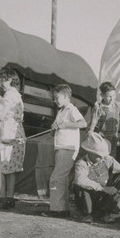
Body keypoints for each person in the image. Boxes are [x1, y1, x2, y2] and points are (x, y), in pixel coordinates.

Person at [43, 84, 88, 217]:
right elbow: (55, 132)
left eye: (57, 98)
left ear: (65, 96)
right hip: (60, 147)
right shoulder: (61, 111)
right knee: (62, 179)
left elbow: (83, 123)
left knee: (56, 178)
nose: (54, 101)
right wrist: (54, 128)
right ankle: (62, 208)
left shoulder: (71, 109)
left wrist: (65, 124)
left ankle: (57, 209)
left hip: (68, 148)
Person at [73, 133, 120, 224]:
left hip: (103, 197)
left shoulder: (107, 159)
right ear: (90, 152)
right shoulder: (81, 163)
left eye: (102, 154)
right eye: (98, 155)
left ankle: (107, 213)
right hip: (88, 199)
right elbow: (80, 180)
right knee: (82, 186)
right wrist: (103, 188)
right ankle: (87, 215)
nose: (101, 157)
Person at [0, 67, 26, 210]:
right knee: (12, 168)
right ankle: (9, 197)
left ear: (9, 80)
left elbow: (2, 113)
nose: (1, 83)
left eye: (3, 80)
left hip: (8, 132)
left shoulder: (9, 95)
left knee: (2, 166)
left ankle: (2, 197)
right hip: (18, 132)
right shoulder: (18, 96)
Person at [87, 81, 120, 157]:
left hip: (113, 137)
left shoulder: (117, 105)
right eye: (109, 96)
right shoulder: (98, 108)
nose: (112, 98)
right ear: (102, 95)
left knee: (112, 157)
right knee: (102, 156)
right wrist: (90, 131)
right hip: (101, 137)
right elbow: (93, 120)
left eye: (113, 95)